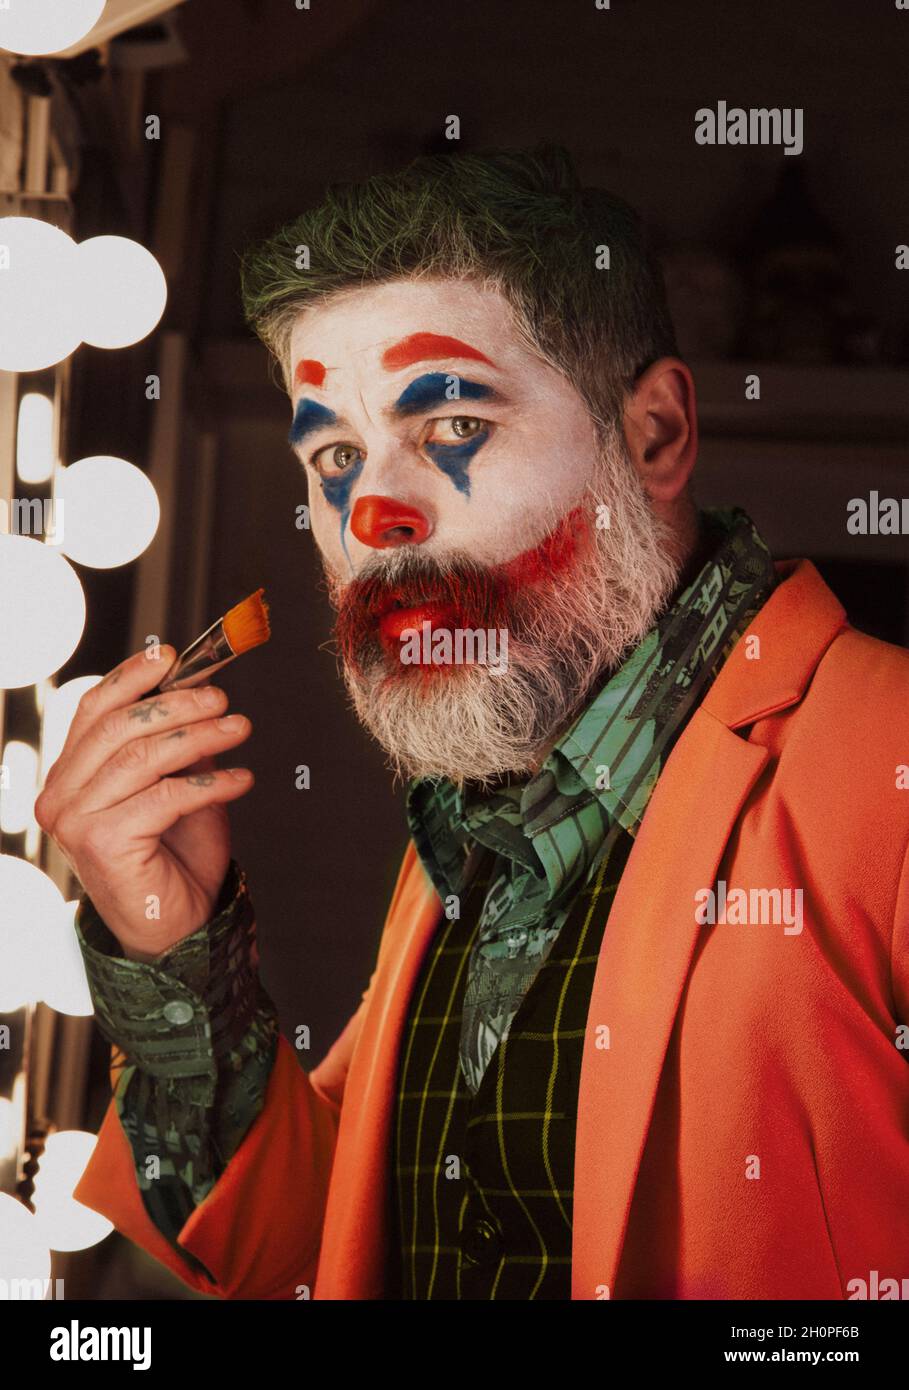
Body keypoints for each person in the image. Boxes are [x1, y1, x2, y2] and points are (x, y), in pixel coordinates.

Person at [36, 146, 909, 1300]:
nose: (375, 516)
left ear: (652, 434)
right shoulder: (476, 824)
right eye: (335, 454)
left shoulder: (886, 760)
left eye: (448, 424)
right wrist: (178, 958)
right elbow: (319, 1261)